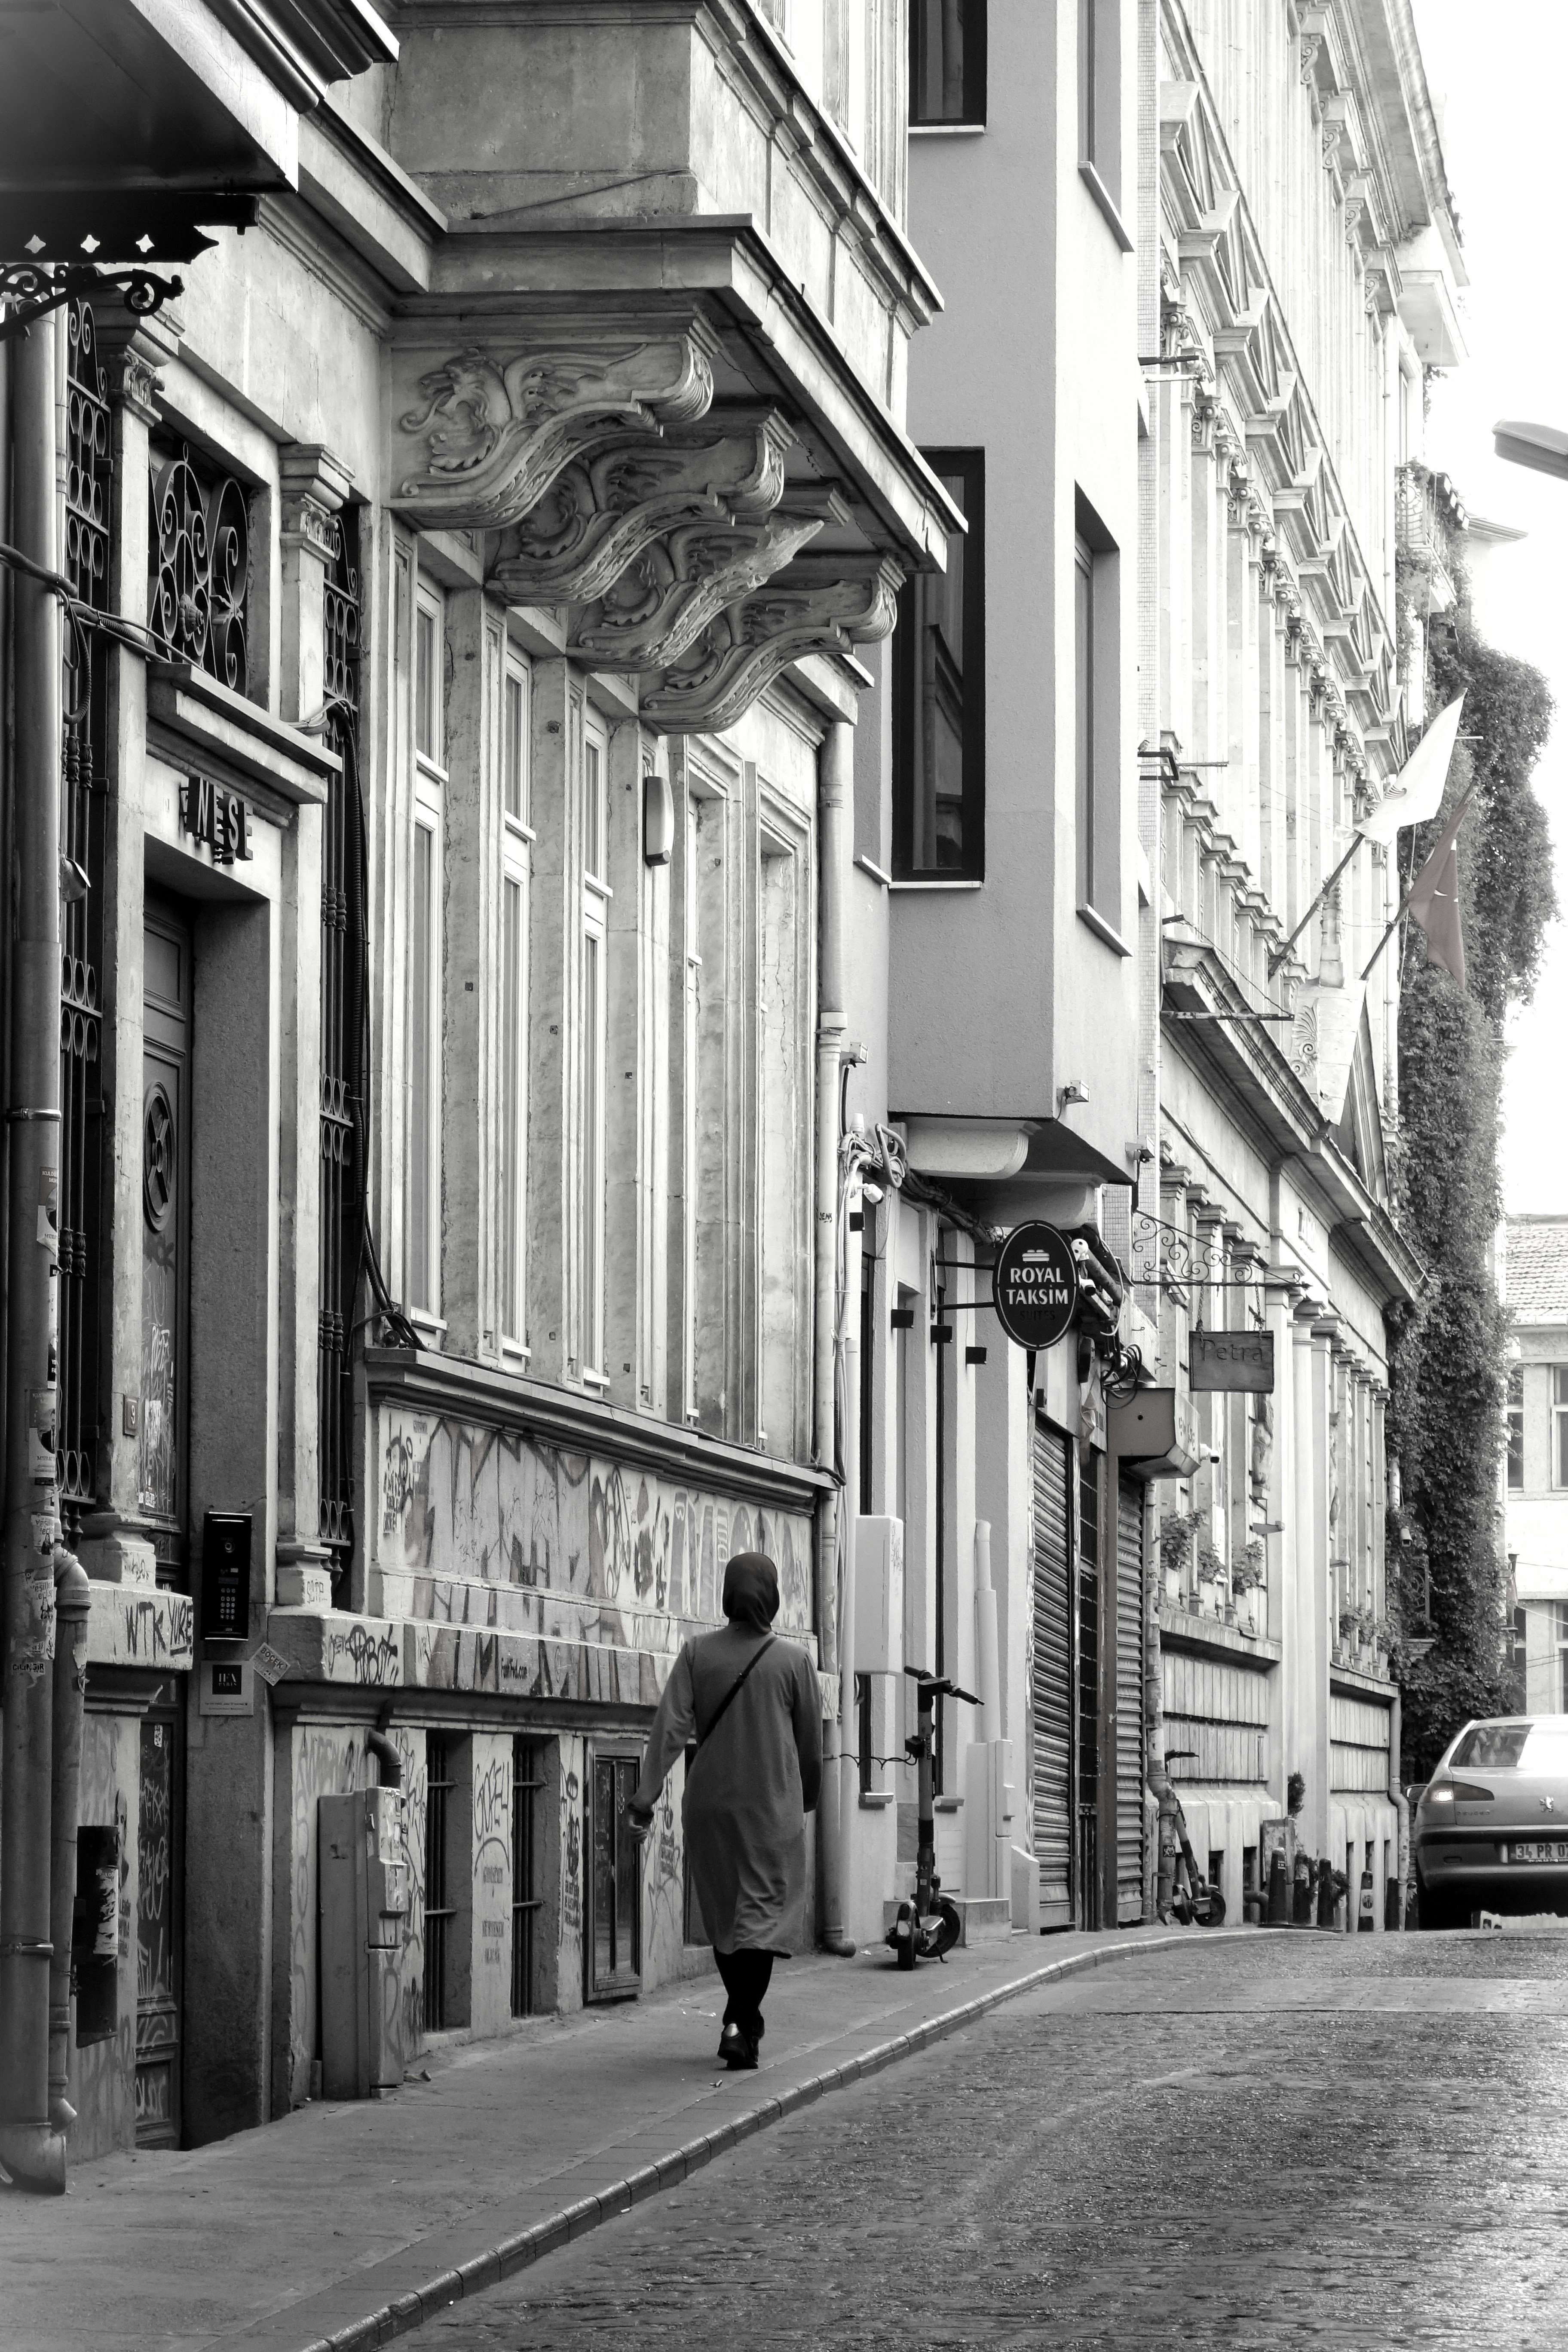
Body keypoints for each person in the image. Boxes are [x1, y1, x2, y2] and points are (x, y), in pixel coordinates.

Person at [628, 1551, 822, 2069]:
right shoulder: (794, 1661)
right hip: (771, 1809)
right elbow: (811, 1745)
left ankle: (742, 2023)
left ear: (728, 1594)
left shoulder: (698, 1653)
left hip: (710, 1807)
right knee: (761, 1918)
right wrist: (806, 1798)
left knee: (726, 1916)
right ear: (773, 1596)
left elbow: (669, 1729)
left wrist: (645, 1799)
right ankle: (739, 2020)